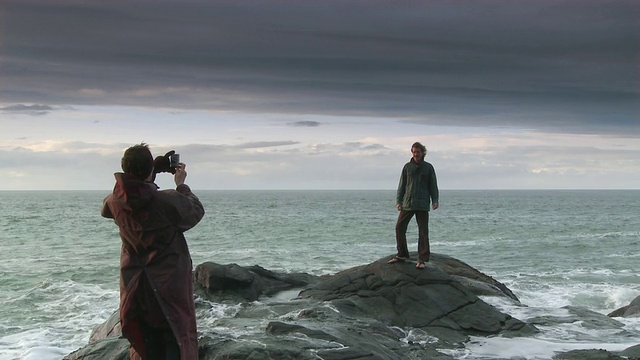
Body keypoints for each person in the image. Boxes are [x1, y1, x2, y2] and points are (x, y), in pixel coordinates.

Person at [101, 143, 205, 359]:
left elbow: (116, 202)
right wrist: (181, 185)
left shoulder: (114, 202)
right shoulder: (166, 201)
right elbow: (195, 211)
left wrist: (149, 172)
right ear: (148, 169)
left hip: (135, 283)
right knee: (176, 336)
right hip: (169, 281)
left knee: (145, 341)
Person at [389, 141, 439, 269]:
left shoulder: (428, 167)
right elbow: (402, 185)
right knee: (399, 227)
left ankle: (422, 259)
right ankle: (402, 254)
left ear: (423, 153)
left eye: (418, 152)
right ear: (412, 153)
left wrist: (435, 200)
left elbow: (433, 185)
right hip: (408, 203)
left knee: (423, 231)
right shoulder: (407, 167)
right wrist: (398, 201)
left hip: (422, 203)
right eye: (414, 152)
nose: (416, 154)